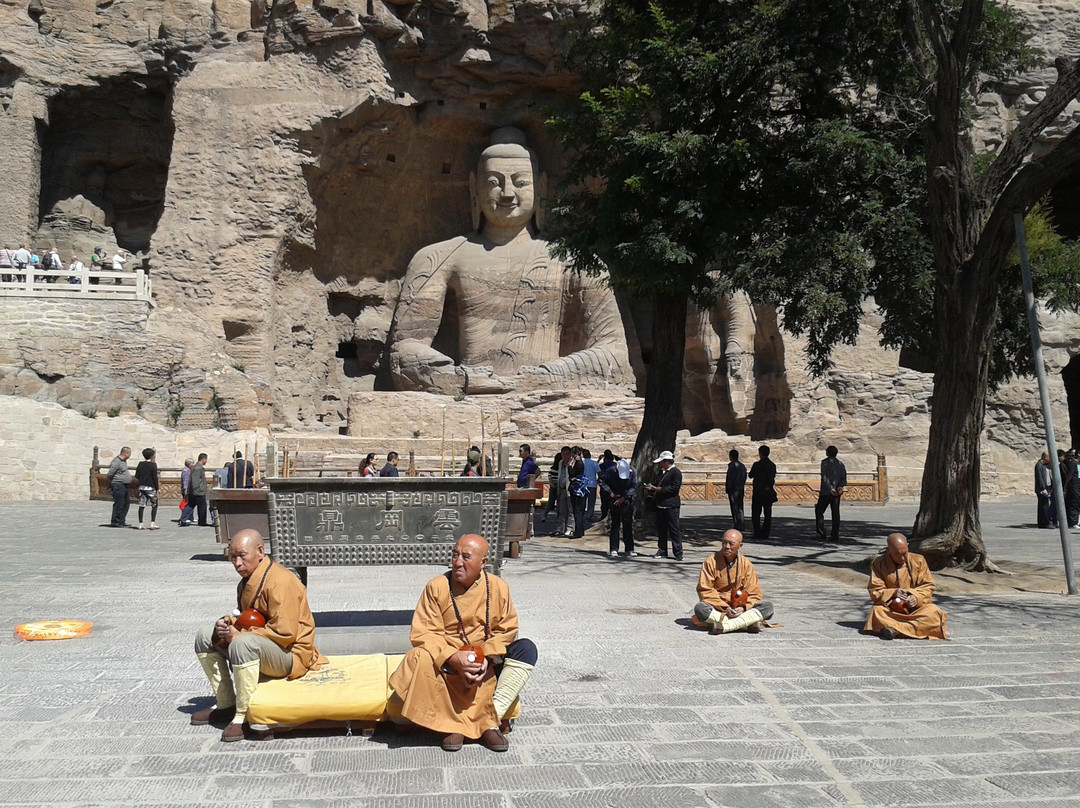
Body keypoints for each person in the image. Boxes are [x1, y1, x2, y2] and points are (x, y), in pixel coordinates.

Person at [387, 127, 633, 395]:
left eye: (520, 182)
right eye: (493, 182)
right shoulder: (438, 257)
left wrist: (544, 377)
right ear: (474, 188)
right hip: (468, 389)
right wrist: (462, 379)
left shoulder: (576, 262)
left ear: (541, 187)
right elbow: (405, 348)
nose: (506, 193)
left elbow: (614, 355)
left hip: (547, 392)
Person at [388, 534, 537, 752]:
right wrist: (452, 657)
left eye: (466, 557)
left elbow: (506, 629)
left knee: (526, 649)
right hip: (448, 666)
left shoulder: (498, 588)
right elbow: (425, 632)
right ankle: (453, 723)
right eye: (455, 555)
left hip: (485, 664)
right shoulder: (437, 587)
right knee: (418, 657)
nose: (458, 562)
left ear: (483, 563)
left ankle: (490, 720)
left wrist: (485, 655)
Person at [191, 529, 326, 741]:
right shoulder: (247, 581)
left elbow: (285, 633)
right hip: (263, 645)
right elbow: (249, 617)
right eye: (232, 557)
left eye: (242, 556)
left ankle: (245, 715)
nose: (236, 563)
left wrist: (239, 634)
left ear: (261, 551)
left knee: (241, 643)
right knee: (205, 635)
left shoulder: (281, 581)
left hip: (290, 654)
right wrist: (228, 624)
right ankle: (226, 703)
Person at [864, 533, 948, 640]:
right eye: (897, 554)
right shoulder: (878, 563)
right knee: (877, 612)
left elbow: (928, 585)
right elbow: (875, 590)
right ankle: (913, 629)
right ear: (889, 550)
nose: (902, 558)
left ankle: (895, 630)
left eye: (904, 553)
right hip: (892, 609)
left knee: (934, 612)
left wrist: (915, 597)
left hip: (916, 609)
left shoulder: (919, 560)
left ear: (908, 546)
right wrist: (893, 592)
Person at [693, 529, 775, 635]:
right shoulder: (711, 562)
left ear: (740, 546)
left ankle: (724, 626)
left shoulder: (746, 564)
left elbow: (754, 592)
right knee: (700, 608)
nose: (727, 546)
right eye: (724, 542)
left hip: (741, 609)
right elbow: (705, 590)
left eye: (731, 544)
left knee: (768, 607)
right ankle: (745, 623)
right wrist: (725, 607)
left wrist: (743, 607)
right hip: (719, 608)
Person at [646, 450, 683, 560]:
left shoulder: (676, 472)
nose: (660, 464)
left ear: (667, 461)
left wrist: (660, 489)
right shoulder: (661, 472)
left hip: (671, 505)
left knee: (674, 529)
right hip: (660, 504)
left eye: (662, 462)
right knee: (661, 529)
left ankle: (678, 552)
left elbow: (675, 488)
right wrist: (651, 488)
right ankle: (662, 550)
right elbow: (657, 484)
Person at [600, 458, 637, 558]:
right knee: (615, 525)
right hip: (614, 500)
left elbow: (634, 486)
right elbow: (601, 481)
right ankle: (614, 548)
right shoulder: (611, 471)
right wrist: (610, 492)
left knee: (627, 525)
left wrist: (624, 497)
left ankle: (629, 548)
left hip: (626, 500)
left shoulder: (633, 472)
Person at [815, 445, 847, 541]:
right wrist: (839, 487)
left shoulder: (824, 463)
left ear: (827, 453)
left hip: (826, 492)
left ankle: (821, 533)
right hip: (837, 493)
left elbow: (825, 477)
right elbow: (843, 478)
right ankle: (834, 535)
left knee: (819, 511)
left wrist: (831, 488)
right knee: (835, 513)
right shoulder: (840, 464)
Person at [748, 445, 777, 539]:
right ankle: (765, 533)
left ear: (760, 453)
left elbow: (750, 475)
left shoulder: (756, 465)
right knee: (767, 514)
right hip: (768, 492)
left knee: (756, 514)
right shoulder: (772, 465)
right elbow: (772, 478)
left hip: (758, 492)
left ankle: (757, 532)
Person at [106, 446, 133, 527]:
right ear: (126, 453)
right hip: (118, 485)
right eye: (130, 453)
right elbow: (110, 473)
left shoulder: (123, 461)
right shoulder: (116, 461)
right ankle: (115, 521)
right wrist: (113, 482)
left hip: (125, 485)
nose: (130, 455)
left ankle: (121, 520)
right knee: (119, 504)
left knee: (126, 503)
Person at [134, 447, 160, 530]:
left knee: (142, 505)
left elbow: (137, 475)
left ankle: (140, 523)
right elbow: (155, 477)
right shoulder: (153, 465)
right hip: (150, 487)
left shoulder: (140, 464)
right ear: (152, 456)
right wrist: (157, 488)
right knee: (154, 504)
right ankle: (152, 523)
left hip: (141, 487)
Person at [182, 453, 210, 527]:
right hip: (198, 492)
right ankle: (202, 521)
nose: (206, 461)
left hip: (195, 491)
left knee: (190, 505)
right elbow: (195, 481)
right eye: (206, 459)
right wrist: (197, 490)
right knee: (202, 506)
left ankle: (183, 519)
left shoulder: (197, 467)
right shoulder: (198, 468)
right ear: (203, 459)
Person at [566, 446, 588, 539]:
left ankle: (578, 531)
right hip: (579, 488)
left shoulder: (578, 464)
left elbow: (572, 474)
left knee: (577, 511)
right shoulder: (580, 463)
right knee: (579, 511)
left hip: (577, 489)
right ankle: (580, 530)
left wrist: (570, 466)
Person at [552, 446, 573, 537]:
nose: (565, 456)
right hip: (561, 489)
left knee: (571, 510)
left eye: (567, 454)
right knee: (561, 510)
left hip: (570, 489)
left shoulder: (572, 464)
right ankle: (560, 528)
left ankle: (570, 528)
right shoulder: (561, 463)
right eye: (563, 454)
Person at [725, 448, 747, 531]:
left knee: (735, 507)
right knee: (740, 506)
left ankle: (738, 524)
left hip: (734, 489)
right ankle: (741, 523)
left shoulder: (732, 465)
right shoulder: (742, 466)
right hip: (740, 488)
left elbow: (730, 478)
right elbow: (745, 476)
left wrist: (729, 488)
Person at [1059, 449, 1080, 529]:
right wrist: (1066, 484)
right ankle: (1073, 522)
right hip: (1073, 487)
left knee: (1076, 503)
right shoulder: (1072, 463)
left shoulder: (1076, 464)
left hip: (1076, 486)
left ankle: (1076, 521)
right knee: (1073, 504)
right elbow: (1069, 475)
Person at [1035, 451, 1054, 528]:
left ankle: (1042, 522)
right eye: (1049, 457)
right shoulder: (1039, 465)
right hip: (1042, 489)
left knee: (1044, 505)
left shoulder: (1046, 465)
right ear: (1045, 457)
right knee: (1044, 506)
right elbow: (1040, 478)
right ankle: (1045, 522)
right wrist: (1043, 488)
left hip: (1047, 487)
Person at [597, 450, 617, 522]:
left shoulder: (601, 466)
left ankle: (604, 517)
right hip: (614, 486)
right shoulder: (615, 464)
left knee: (604, 503)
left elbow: (600, 476)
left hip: (604, 486)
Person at [542, 451, 562, 521]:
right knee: (559, 502)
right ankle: (558, 517)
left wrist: (551, 483)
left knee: (550, 501)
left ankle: (544, 515)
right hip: (559, 486)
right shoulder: (561, 468)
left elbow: (550, 476)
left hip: (553, 486)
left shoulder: (552, 468)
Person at [582, 449, 600, 521]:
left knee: (582, 501)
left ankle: (581, 514)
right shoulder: (594, 463)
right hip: (592, 484)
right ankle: (589, 516)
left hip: (583, 484)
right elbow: (599, 472)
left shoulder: (582, 463)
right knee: (591, 502)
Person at [179, 458, 194, 523]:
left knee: (190, 503)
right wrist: (185, 489)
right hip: (186, 490)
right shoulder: (186, 471)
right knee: (186, 504)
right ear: (190, 464)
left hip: (189, 489)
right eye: (192, 463)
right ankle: (186, 517)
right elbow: (186, 481)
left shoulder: (189, 470)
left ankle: (190, 517)